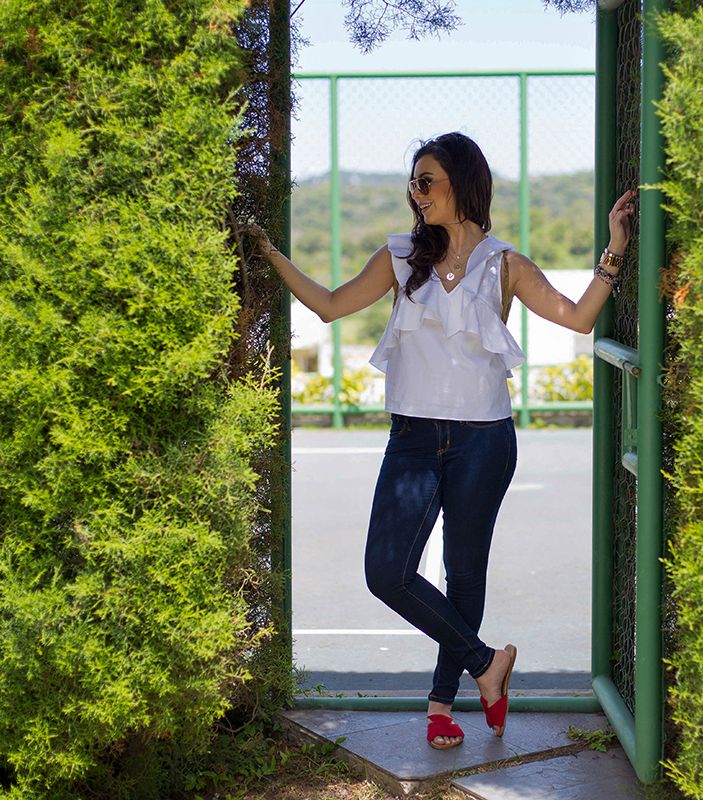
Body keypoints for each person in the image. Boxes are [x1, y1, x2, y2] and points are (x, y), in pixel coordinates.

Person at [257, 132, 634, 749]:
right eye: (413, 183)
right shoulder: (402, 255)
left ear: (461, 183)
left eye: (426, 181)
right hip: (412, 437)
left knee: (464, 575)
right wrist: (270, 253)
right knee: (387, 572)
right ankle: (488, 666)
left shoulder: (505, 263)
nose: (417, 193)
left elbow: (577, 317)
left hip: (484, 442)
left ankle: (441, 703)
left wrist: (613, 251)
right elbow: (328, 305)